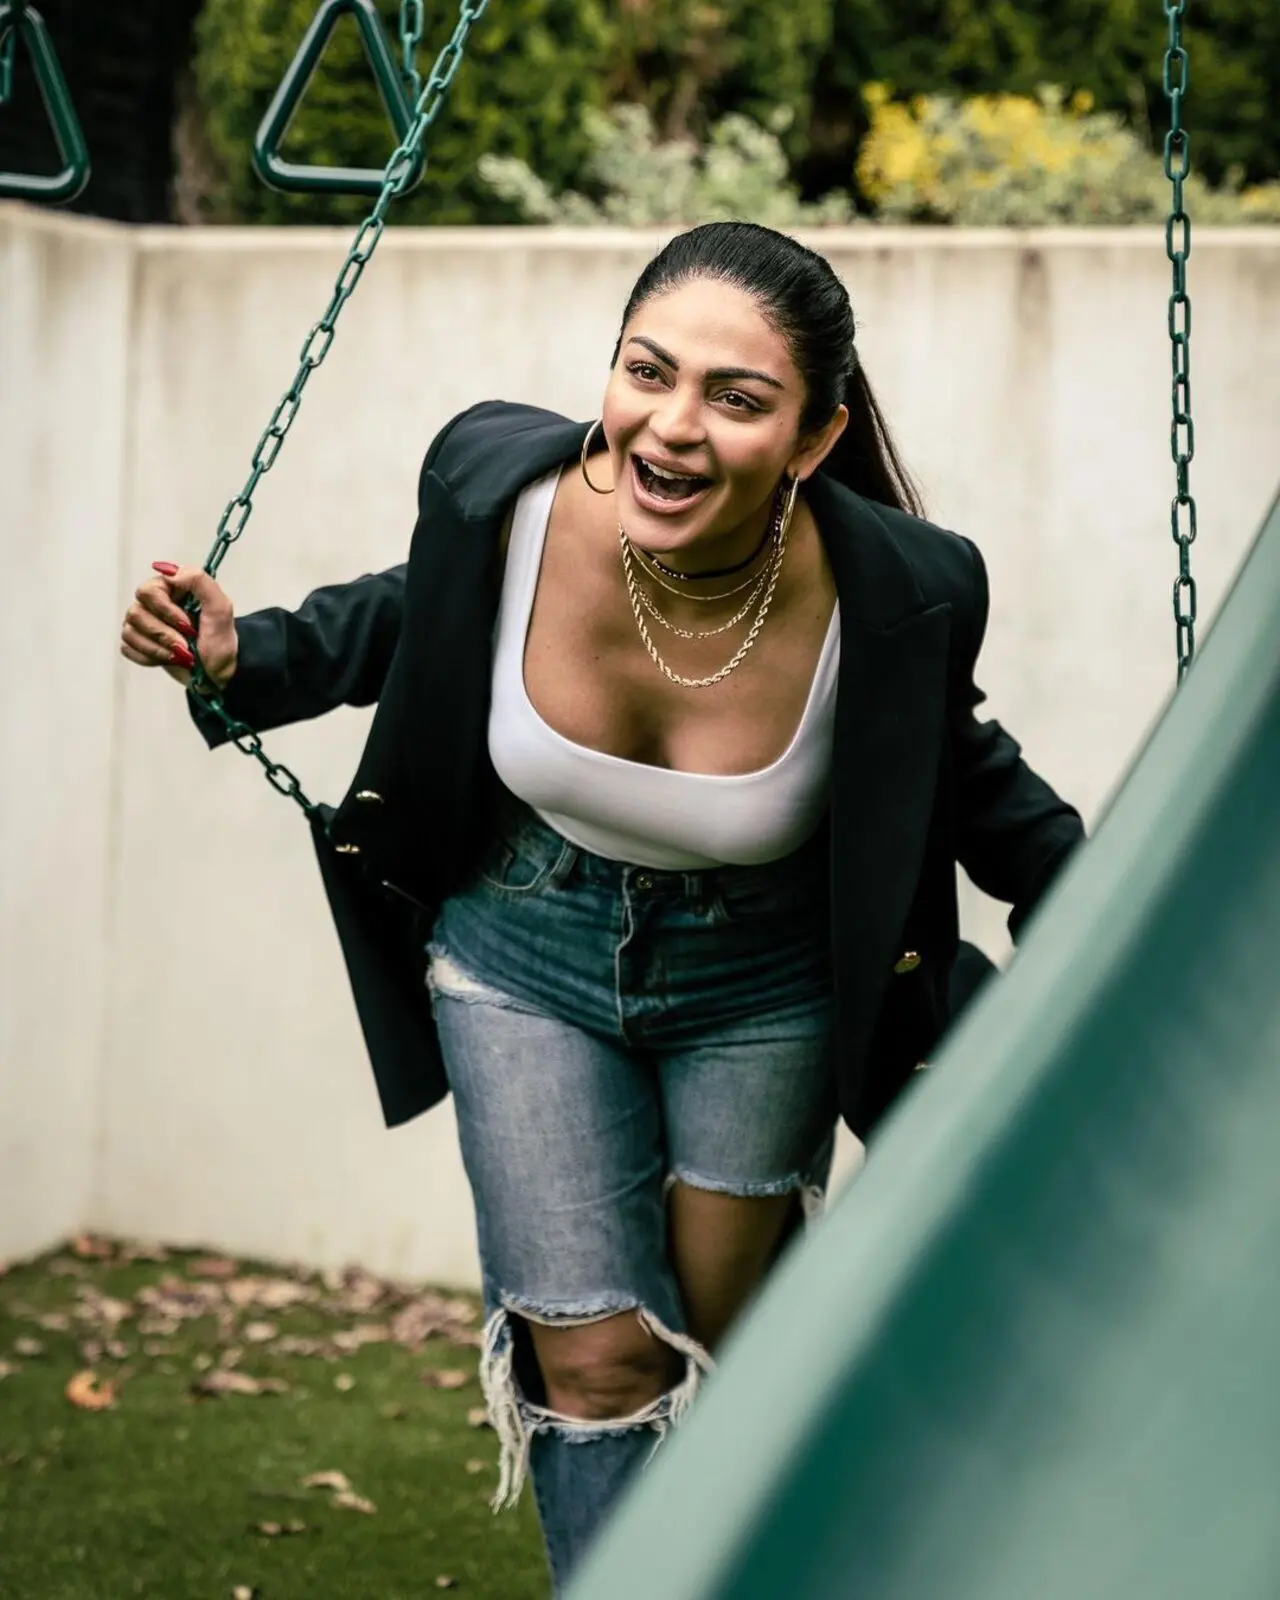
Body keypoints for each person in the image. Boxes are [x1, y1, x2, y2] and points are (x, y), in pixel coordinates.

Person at [119, 221, 1084, 1593]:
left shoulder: (897, 591)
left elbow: (978, 785)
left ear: (814, 439)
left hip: (768, 983)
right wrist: (241, 654)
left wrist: (1125, 934)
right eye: (648, 372)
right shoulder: (502, 496)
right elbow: (403, 619)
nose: (671, 427)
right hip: (520, 953)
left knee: (725, 1320)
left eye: (735, 398)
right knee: (596, 1357)